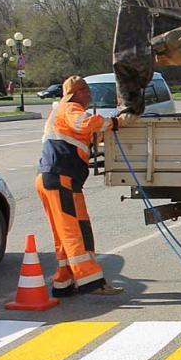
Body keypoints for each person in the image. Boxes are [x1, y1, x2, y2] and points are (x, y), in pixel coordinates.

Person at [36, 75, 123, 296]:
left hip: (58, 179)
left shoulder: (63, 112)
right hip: (60, 178)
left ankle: (64, 283)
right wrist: (113, 122)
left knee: (69, 232)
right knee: (73, 232)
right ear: (78, 93)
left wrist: (108, 129)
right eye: (87, 92)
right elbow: (85, 124)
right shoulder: (69, 108)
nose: (90, 96)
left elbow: (87, 134)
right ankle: (92, 282)